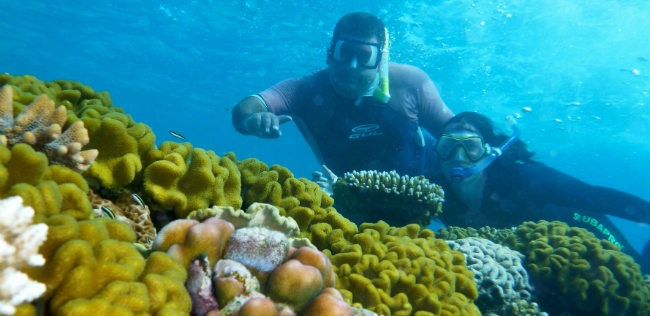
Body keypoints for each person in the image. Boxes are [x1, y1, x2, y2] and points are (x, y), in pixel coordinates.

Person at [231, 12, 453, 182]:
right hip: (352, 202)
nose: (352, 66)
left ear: (380, 62)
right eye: (344, 52)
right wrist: (254, 121)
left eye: (365, 56)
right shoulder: (305, 90)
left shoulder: (410, 83)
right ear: (330, 54)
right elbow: (248, 107)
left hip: (431, 187)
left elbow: (454, 132)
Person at [433, 111, 650, 272]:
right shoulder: (435, 195)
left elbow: (594, 196)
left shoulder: (526, 178)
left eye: (471, 146)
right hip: (533, 267)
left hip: (583, 226)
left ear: (490, 153)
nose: (458, 156)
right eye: (447, 146)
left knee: (637, 273)